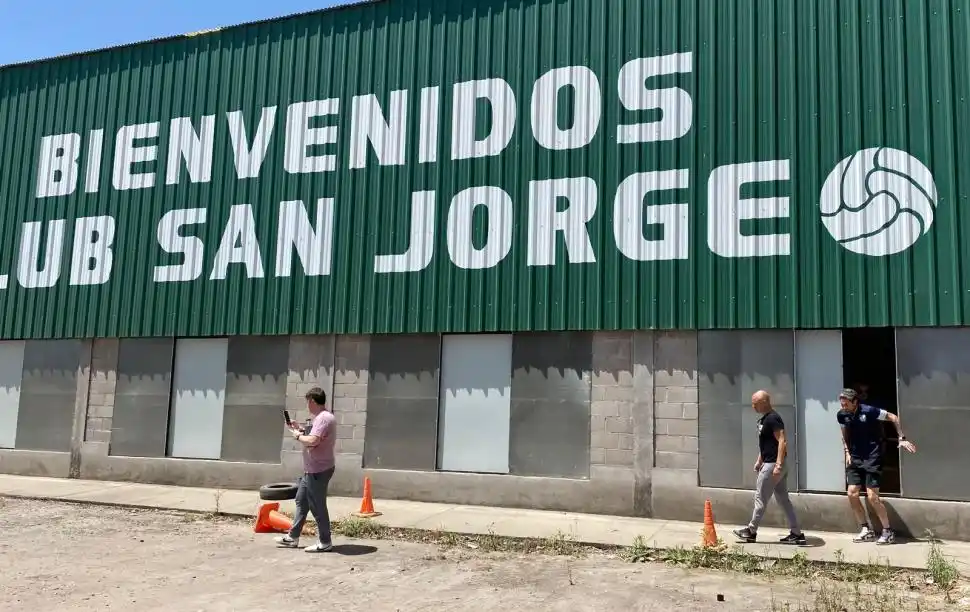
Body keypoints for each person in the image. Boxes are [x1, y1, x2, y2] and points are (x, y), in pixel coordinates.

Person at [837, 388, 916, 545]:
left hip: (873, 457)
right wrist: (847, 452)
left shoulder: (869, 411)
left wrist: (902, 437)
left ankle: (888, 531)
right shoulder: (842, 415)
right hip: (855, 457)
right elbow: (844, 434)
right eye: (842, 404)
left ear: (855, 402)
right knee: (852, 493)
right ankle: (866, 529)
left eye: (846, 404)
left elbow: (893, 417)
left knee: (872, 497)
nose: (843, 407)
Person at [733, 390, 806, 545]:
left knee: (760, 498)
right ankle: (796, 533)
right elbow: (767, 444)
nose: (753, 406)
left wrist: (778, 465)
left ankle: (751, 531)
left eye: (755, 403)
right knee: (783, 500)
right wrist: (759, 460)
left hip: (773, 465)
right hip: (772, 463)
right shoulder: (764, 419)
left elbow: (782, 441)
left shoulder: (773, 418)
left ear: (764, 402)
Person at [275, 387, 337, 553]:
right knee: (301, 501)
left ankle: (325, 542)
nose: (307, 405)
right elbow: (314, 435)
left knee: (317, 506)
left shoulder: (323, 418)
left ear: (312, 401)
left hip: (318, 470)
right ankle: (293, 537)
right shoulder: (321, 417)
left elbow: (313, 441)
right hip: (312, 469)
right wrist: (300, 428)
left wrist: (297, 435)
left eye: (308, 402)